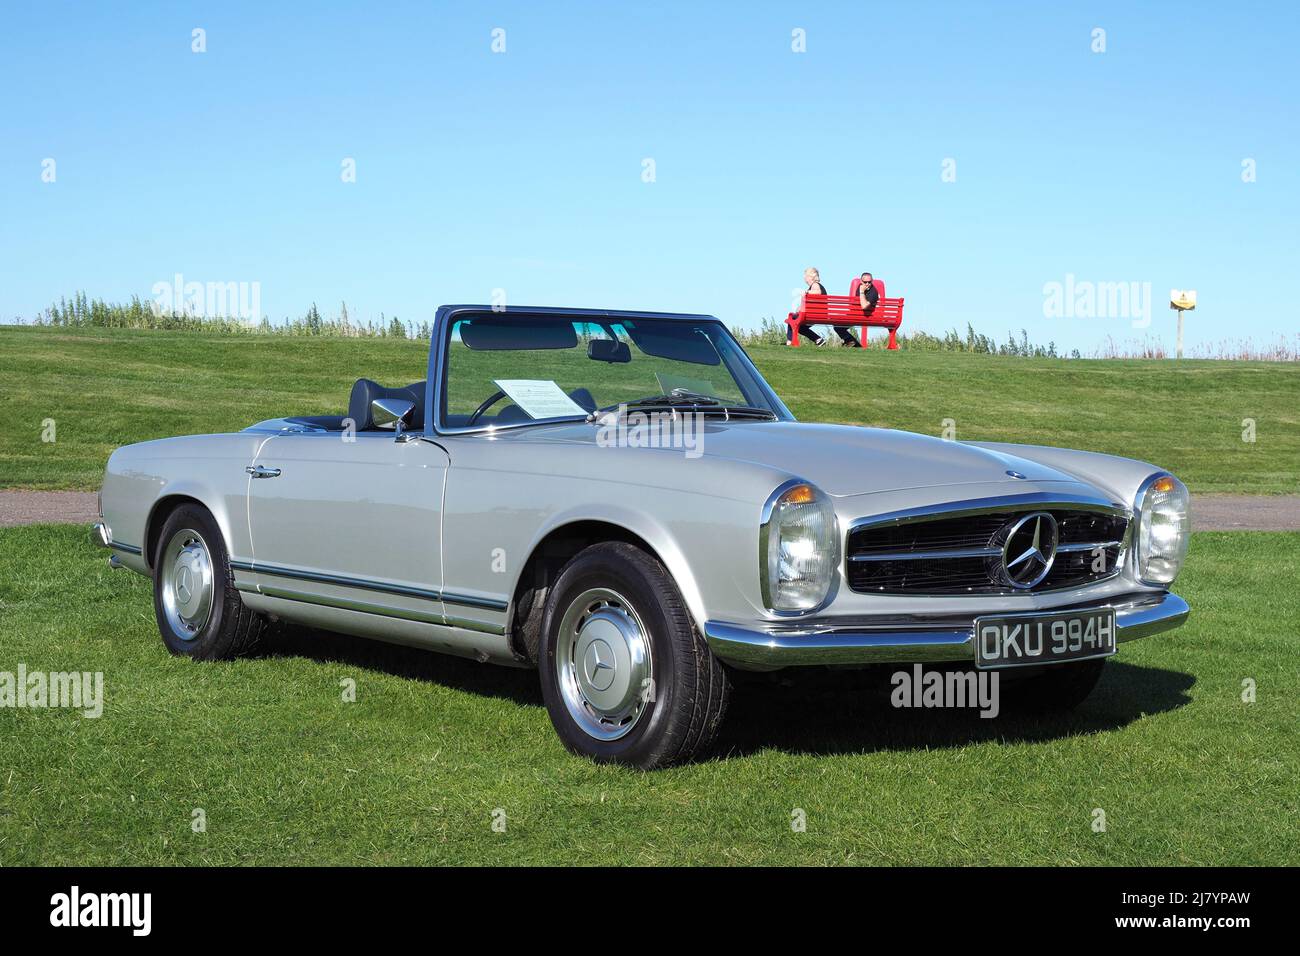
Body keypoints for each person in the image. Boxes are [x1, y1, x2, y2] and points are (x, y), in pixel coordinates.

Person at [788, 267, 828, 345]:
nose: (804, 278)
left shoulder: (815, 285)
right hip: (820, 314)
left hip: (815, 314)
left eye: (805, 276)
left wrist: (805, 292)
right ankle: (818, 340)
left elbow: (818, 292)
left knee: (792, 318)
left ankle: (789, 342)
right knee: (801, 328)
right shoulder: (814, 286)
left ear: (810, 277)